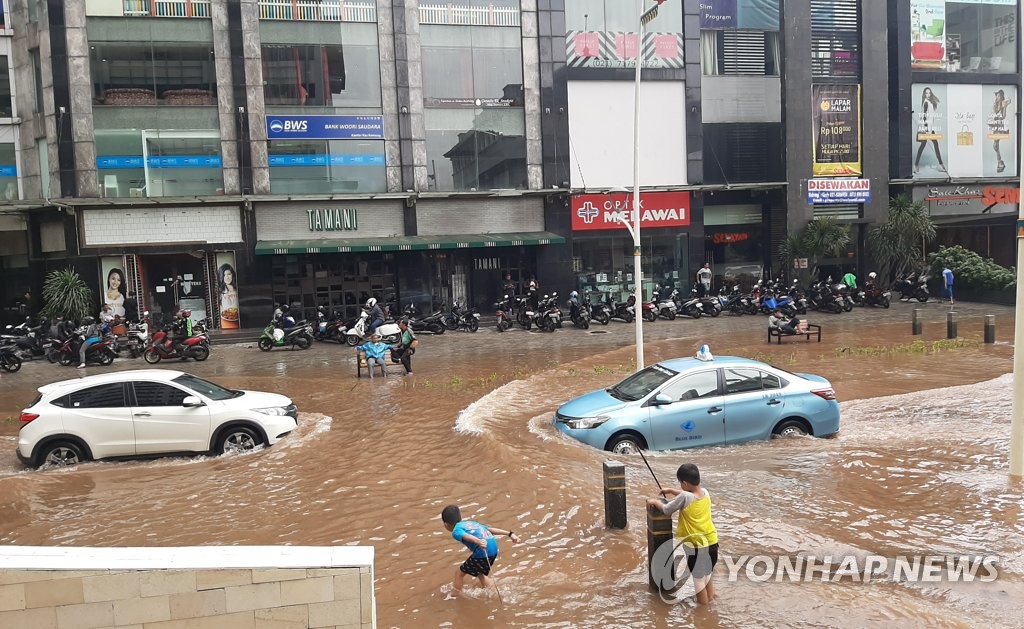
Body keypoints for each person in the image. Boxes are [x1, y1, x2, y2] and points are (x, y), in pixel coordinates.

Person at [646, 464, 719, 605]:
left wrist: (654, 501)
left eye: (681, 483)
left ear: (684, 483)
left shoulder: (685, 497)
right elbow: (688, 494)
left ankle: (703, 610)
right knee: (707, 575)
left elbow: (667, 509)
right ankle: (712, 599)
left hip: (696, 546)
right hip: (712, 542)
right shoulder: (705, 492)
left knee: (698, 580)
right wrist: (672, 491)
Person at [440, 504, 520, 596]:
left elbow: (466, 536)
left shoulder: (455, 531)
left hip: (483, 550)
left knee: (459, 573)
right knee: (480, 573)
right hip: (493, 548)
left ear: (446, 525)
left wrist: (478, 541)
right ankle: (493, 592)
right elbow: (490, 530)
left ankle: (455, 595)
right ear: (460, 517)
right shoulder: (470, 523)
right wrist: (510, 534)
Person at [914, 87, 946, 175]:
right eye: (926, 93)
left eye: (929, 93)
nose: (928, 95)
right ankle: (916, 165)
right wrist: (927, 128)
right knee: (924, 144)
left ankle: (940, 164)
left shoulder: (929, 102)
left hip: (930, 127)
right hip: (927, 128)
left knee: (934, 144)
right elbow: (924, 116)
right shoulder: (926, 103)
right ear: (924, 94)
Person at [990, 90, 1012, 173]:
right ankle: (1000, 162)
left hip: (999, 126)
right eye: (997, 95)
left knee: (995, 145)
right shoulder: (995, 104)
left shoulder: (1003, 104)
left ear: (1002, 96)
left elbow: (1003, 116)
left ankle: (1000, 162)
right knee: (995, 145)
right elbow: (994, 112)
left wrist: (1005, 106)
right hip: (995, 125)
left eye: (999, 95)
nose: (997, 97)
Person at [218, 263, 240, 329]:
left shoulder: (239, 289)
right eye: (224, 275)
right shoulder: (220, 293)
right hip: (226, 324)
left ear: (232, 275)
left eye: (229, 274)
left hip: (239, 324)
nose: (227, 277)